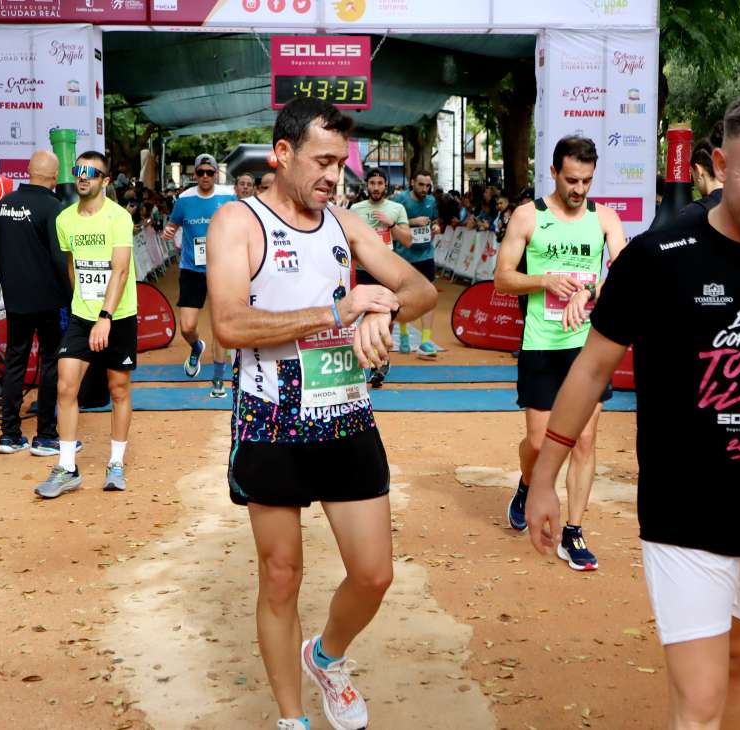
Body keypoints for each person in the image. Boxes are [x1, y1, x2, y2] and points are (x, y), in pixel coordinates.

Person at [525, 91, 740, 729]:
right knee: (699, 700)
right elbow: (591, 368)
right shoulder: (656, 257)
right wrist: (546, 476)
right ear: (720, 164)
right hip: (682, 505)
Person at [207, 97, 436, 730]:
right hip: (270, 419)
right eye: (323, 160)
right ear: (282, 155)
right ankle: (292, 719)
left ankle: (327, 656)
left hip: (345, 414)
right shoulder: (238, 222)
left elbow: (421, 289)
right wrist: (341, 311)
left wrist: (382, 311)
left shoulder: (344, 223)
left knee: (373, 575)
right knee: (281, 576)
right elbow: (228, 323)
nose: (335, 175)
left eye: (342, 163)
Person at [496, 135, 626, 572]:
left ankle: (573, 530)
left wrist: (589, 289)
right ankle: (528, 483)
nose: (580, 189)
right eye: (572, 180)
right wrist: (544, 281)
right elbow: (501, 279)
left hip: (589, 346)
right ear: (553, 172)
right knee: (538, 442)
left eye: (587, 181)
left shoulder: (605, 219)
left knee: (585, 439)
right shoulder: (528, 216)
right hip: (541, 344)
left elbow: (626, 280)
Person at [35, 151, 138, 500]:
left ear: (105, 181)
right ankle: (67, 467)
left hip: (118, 316)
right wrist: (84, 307)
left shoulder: (119, 218)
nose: (83, 177)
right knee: (66, 385)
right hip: (82, 316)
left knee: (118, 388)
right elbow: (72, 267)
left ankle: (117, 463)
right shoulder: (65, 220)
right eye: (79, 170)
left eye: (92, 173)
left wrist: (105, 317)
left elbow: (120, 271)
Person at [0, 150, 72, 456]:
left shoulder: (4, 204)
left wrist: (12, 287)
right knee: (50, 362)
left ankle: (9, 434)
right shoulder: (54, 207)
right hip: (49, 299)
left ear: (28, 172)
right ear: (53, 178)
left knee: (15, 362)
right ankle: (45, 436)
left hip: (16, 299)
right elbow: (58, 257)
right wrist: (69, 294)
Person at [163, 153, 234, 398]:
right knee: (187, 326)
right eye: (201, 172)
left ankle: (217, 380)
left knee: (219, 325)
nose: (205, 176)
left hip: (221, 270)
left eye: (210, 172)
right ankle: (196, 347)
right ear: (195, 174)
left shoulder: (228, 196)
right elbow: (173, 224)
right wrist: (168, 232)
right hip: (192, 269)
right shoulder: (184, 199)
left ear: (216, 173)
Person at [349, 168, 412, 390]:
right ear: (367, 185)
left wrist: (391, 225)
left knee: (384, 315)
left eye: (380, 183)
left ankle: (381, 362)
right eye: (372, 183)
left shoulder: (396, 208)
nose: (376, 187)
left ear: (386, 185)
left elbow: (407, 241)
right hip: (363, 270)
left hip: (387, 270)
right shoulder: (355, 209)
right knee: (359, 316)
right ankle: (359, 360)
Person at [393, 170, 441, 358]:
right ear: (412, 182)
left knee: (429, 295)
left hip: (426, 254)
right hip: (404, 255)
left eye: (427, 185)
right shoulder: (400, 200)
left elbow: (435, 220)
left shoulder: (431, 201)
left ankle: (425, 341)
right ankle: (404, 335)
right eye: (421, 185)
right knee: (405, 296)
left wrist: (436, 227)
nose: (424, 189)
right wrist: (413, 221)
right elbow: (392, 224)